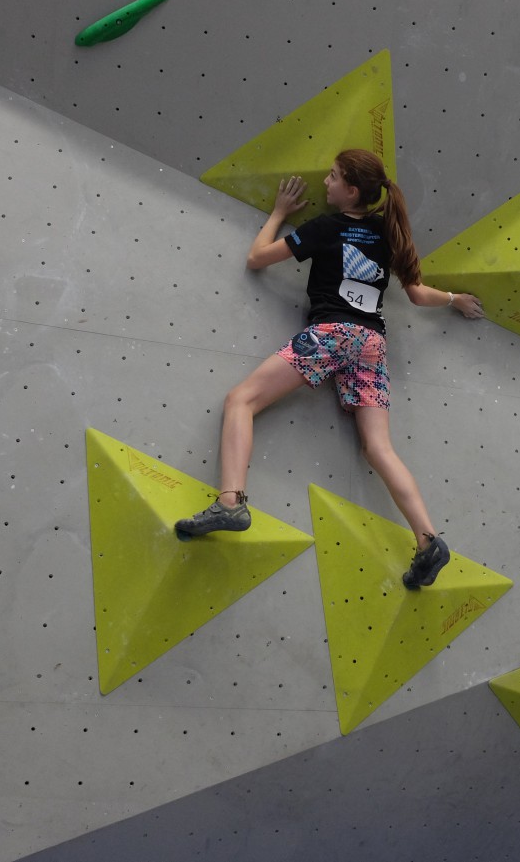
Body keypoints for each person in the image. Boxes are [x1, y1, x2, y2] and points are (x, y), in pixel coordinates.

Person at [174, 149, 484, 589]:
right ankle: (428, 539)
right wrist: (454, 300)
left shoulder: (325, 228)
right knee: (379, 449)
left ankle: (230, 501)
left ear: (351, 191)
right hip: (372, 344)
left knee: (240, 400)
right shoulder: (386, 233)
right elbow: (416, 293)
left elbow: (257, 258)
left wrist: (279, 212)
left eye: (333, 177)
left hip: (335, 334)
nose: (325, 183)